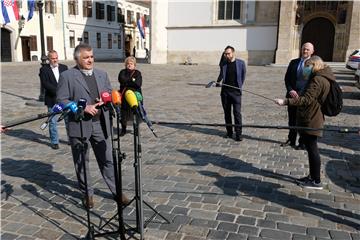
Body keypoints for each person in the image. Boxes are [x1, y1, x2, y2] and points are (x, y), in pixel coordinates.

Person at [57, 43, 129, 208]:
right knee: (82, 162)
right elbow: (61, 100)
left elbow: (109, 93)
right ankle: (87, 194)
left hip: (101, 125)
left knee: (108, 161)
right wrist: (83, 108)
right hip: (80, 125)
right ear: (77, 59)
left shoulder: (102, 74)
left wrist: (106, 100)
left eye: (91, 57)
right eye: (86, 57)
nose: (90, 60)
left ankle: (117, 192)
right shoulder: (67, 76)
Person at [274, 56, 332, 189]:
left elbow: (306, 100)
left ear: (314, 65)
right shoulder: (322, 77)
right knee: (311, 149)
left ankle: (316, 181)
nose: (305, 69)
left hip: (312, 119)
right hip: (311, 116)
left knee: (312, 149)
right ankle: (312, 177)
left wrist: (285, 101)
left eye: (307, 66)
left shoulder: (318, 80)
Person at [282, 42, 314, 150]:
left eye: (307, 50)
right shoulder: (293, 62)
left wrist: (302, 94)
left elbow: (312, 82)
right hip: (291, 95)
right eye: (304, 49)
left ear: (312, 52)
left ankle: (302, 142)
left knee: (303, 120)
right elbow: (287, 79)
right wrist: (290, 90)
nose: (305, 51)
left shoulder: (313, 64)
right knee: (291, 119)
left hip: (304, 97)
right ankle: (291, 139)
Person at [39, 50, 68, 149]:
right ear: (48, 59)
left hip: (65, 99)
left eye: (56, 58)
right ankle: (54, 141)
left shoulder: (64, 68)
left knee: (68, 119)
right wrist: (58, 92)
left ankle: (71, 139)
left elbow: (68, 82)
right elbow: (45, 84)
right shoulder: (44, 69)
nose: (55, 60)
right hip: (52, 98)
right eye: (53, 58)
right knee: (52, 121)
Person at [216, 46, 246, 141]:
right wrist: (218, 81)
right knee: (227, 113)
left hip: (236, 93)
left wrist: (239, 87)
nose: (227, 55)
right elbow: (221, 74)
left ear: (233, 53)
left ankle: (238, 134)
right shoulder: (224, 64)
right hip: (225, 93)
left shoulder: (241, 63)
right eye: (225, 53)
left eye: (228, 53)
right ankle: (229, 132)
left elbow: (242, 76)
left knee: (237, 113)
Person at [118, 56, 142, 136]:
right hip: (124, 96)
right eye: (128, 63)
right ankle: (123, 129)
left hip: (135, 96)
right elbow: (121, 80)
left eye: (131, 64)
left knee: (135, 112)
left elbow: (138, 84)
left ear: (134, 65)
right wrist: (131, 81)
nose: (129, 65)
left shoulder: (137, 73)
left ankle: (136, 129)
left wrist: (127, 82)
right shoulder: (122, 72)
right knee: (123, 113)